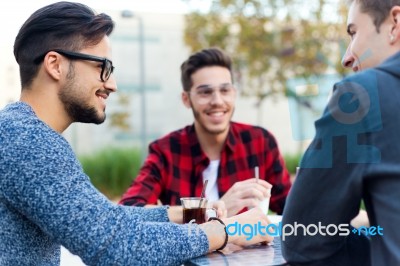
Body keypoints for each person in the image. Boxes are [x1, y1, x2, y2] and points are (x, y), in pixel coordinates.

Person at [0, 2, 273, 265]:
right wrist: (225, 231)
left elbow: (105, 219)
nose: (113, 84)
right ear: (55, 65)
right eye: (102, 67)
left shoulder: (18, 132)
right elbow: (114, 246)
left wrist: (187, 213)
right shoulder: (29, 141)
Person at [282, 0, 400, 265]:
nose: (346, 57)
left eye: (354, 32)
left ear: (395, 23)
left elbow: (302, 239)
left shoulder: (362, 95)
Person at [119, 48, 292, 217]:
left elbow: (293, 209)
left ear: (234, 93)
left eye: (225, 90)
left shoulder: (260, 142)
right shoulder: (166, 150)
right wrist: (209, 211)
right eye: (205, 92)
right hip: (193, 246)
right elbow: (128, 212)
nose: (217, 101)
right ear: (186, 99)